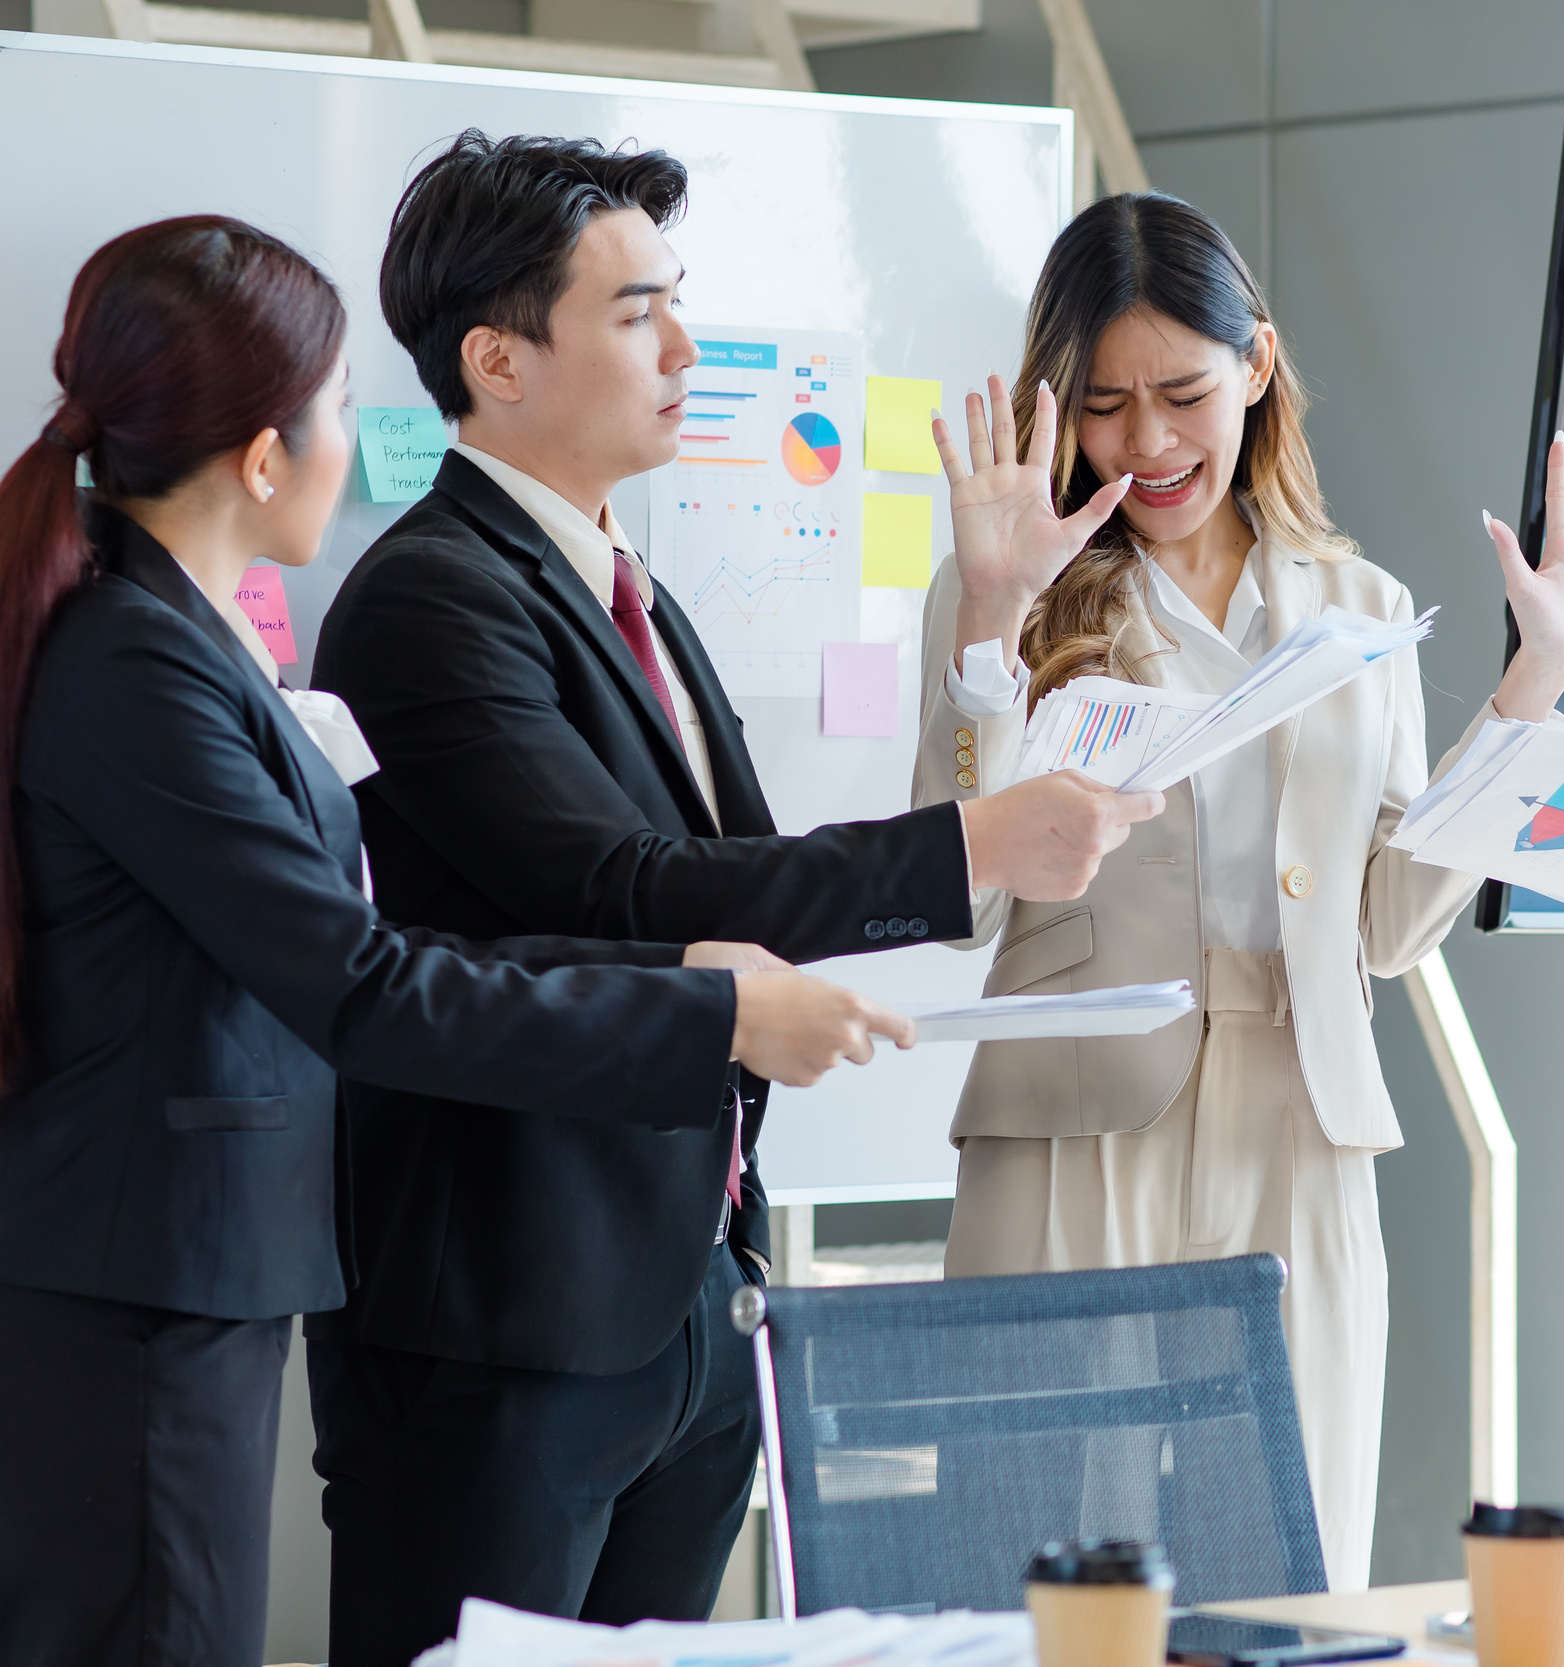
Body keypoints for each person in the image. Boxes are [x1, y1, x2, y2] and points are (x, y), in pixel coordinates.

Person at [0, 216, 909, 1667]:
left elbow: (377, 940)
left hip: (196, 1276)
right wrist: (704, 1016)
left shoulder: (177, 638)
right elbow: (362, 984)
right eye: (337, 407)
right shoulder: (137, 660)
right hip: (147, 1293)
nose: (357, 443)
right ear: (259, 452)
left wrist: (687, 982)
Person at [304, 131, 1162, 1666]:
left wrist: (992, 628)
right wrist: (968, 844)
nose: (687, 347)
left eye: (676, 301)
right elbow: (626, 891)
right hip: (506, 1324)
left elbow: (745, 891)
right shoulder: (433, 596)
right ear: (499, 360)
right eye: (637, 312)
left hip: (690, 1304)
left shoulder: (629, 587)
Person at [916, 191, 1564, 1587]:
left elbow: (1387, 923)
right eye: (1107, 404)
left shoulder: (1357, 605)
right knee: (1058, 1576)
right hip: (1076, 1120)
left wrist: (1532, 688)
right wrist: (991, 622)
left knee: (1293, 1568)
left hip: (1300, 1121)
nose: (1149, 442)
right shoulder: (1011, 579)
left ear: (1257, 366)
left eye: (1184, 392)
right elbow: (955, 892)